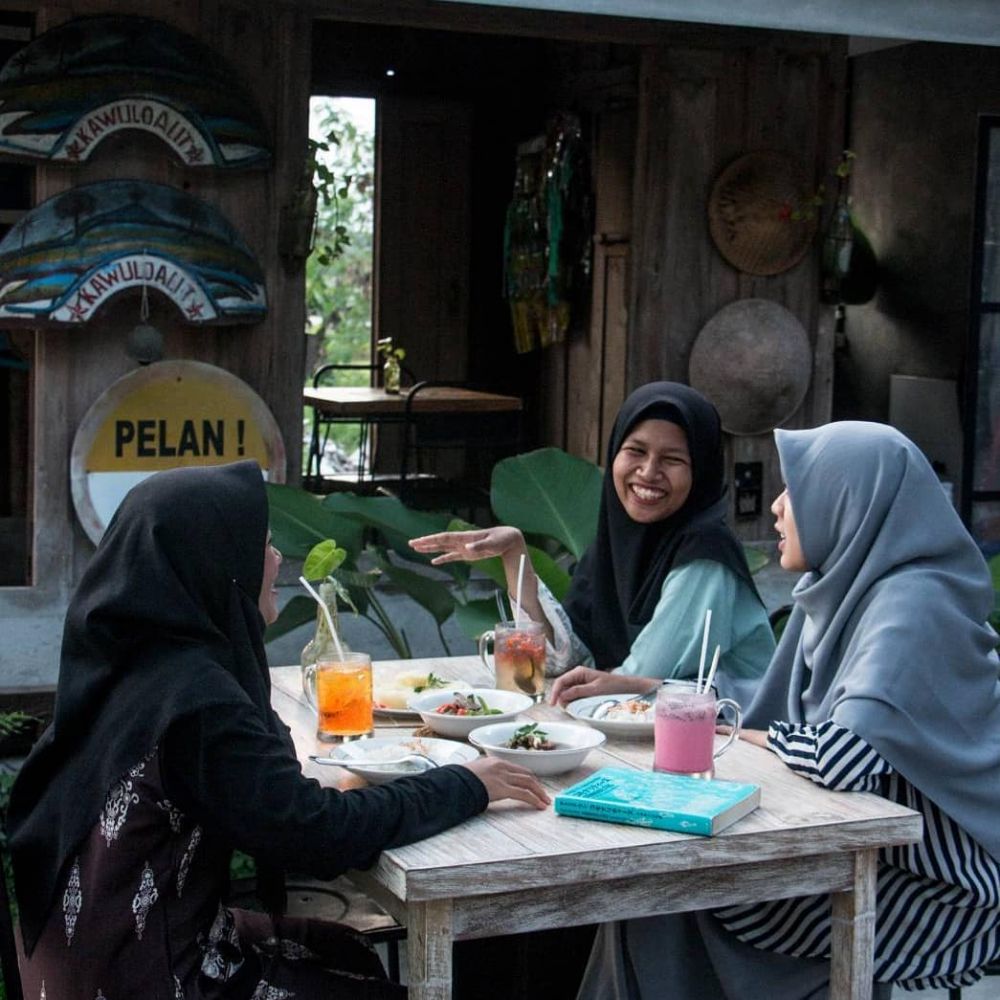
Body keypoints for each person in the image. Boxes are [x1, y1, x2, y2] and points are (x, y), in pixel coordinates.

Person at [8, 461, 549, 999]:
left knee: (347, 950)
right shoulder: (197, 702)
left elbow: (269, 800)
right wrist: (467, 784)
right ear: (219, 565)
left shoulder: (129, 656)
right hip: (148, 976)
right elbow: (316, 836)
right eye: (261, 546)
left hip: (79, 960)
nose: (276, 560)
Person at [578, 421, 1000, 999]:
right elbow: (768, 703)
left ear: (847, 500)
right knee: (653, 890)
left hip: (937, 885)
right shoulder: (838, 588)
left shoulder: (915, 603)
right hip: (854, 843)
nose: (776, 509)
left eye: (794, 491)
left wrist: (733, 730)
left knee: (667, 894)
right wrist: (654, 688)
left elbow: (841, 756)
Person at [410, 381, 774, 708]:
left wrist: (596, 681)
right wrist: (513, 555)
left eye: (673, 459)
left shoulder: (706, 553)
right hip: (645, 732)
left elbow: (636, 681)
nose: (648, 472)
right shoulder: (615, 542)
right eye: (635, 451)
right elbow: (563, 660)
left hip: (730, 744)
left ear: (701, 472)